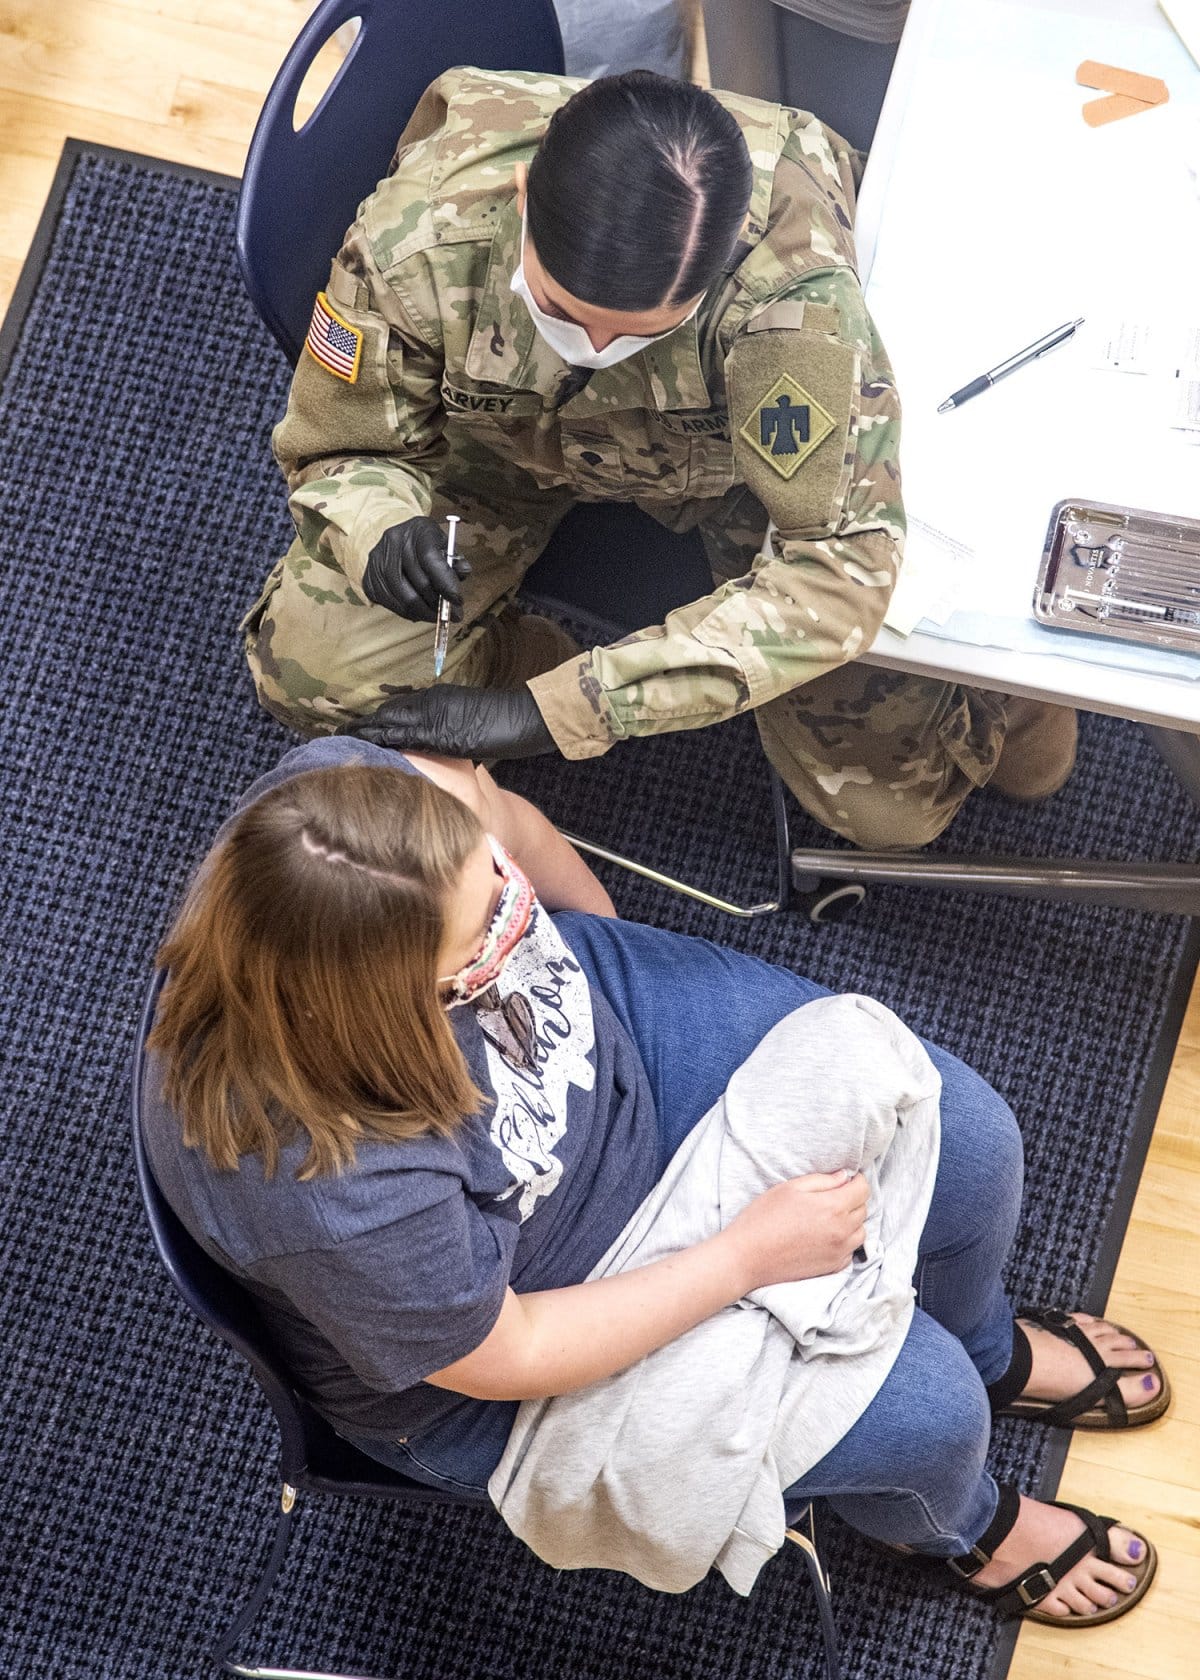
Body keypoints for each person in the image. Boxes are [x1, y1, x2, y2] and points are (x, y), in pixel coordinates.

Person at [142, 736, 1167, 1626]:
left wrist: (608, 948)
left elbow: (508, 823)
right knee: (935, 1416)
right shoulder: (326, 1188)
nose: (517, 917)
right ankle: (960, 1529)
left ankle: (989, 1346)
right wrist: (742, 1257)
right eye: (483, 938)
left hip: (603, 1072)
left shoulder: (353, 812)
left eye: (495, 883)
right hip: (522, 1331)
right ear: (383, 1005)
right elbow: (510, 1349)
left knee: (969, 1137)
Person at [243, 67, 1077, 851]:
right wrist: (380, 524)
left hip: (734, 475)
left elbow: (838, 571)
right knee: (316, 678)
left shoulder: (794, 301)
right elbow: (341, 441)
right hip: (501, 442)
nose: (596, 345)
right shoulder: (418, 237)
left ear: (715, 272)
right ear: (525, 198)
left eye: (641, 330)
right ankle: (515, 654)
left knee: (889, 809)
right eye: (566, 312)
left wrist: (566, 711)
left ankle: (1010, 706)